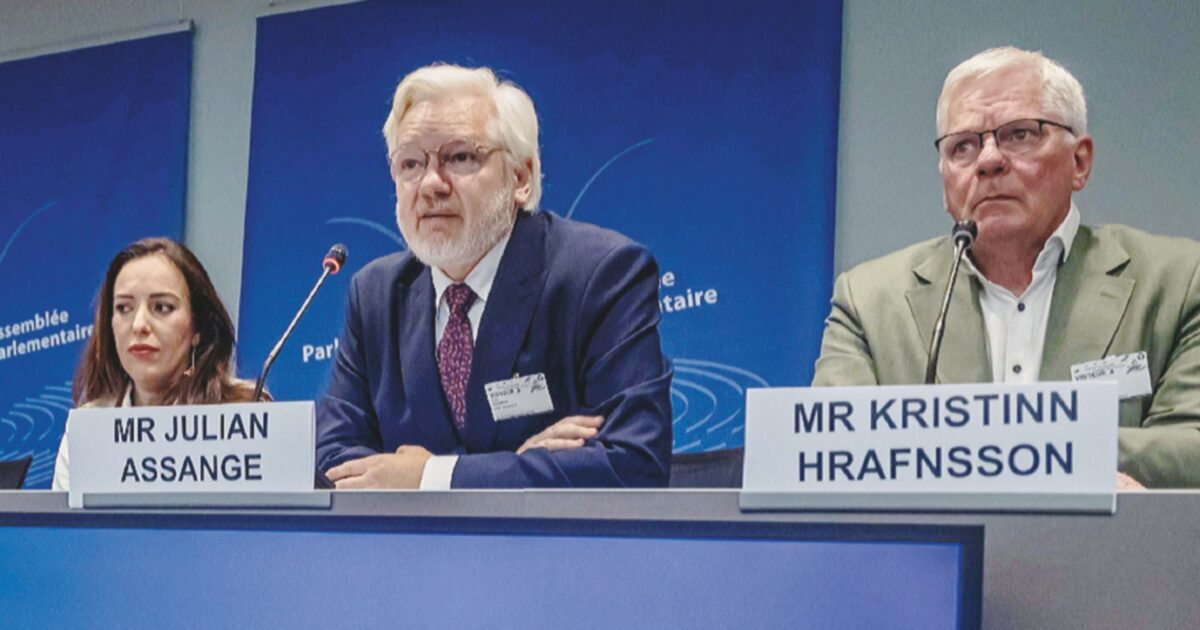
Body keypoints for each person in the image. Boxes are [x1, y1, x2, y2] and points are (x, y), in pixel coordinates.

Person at [812, 46, 1200, 488]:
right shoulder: (868, 302)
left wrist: (1000, 449)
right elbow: (831, 455)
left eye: (1019, 135)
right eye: (962, 147)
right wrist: (1038, 454)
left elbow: (1190, 448)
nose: (989, 160)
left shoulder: (1178, 281)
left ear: (1079, 162)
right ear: (944, 180)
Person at [317, 63, 672, 489]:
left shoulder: (602, 274)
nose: (430, 184)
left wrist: (433, 475)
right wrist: (512, 468)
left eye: (460, 157)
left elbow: (633, 462)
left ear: (520, 177)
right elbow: (331, 461)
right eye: (410, 163)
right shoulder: (376, 294)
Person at [52, 237, 258, 490]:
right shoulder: (88, 429)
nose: (139, 325)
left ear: (198, 328)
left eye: (161, 307)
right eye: (124, 308)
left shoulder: (245, 414)